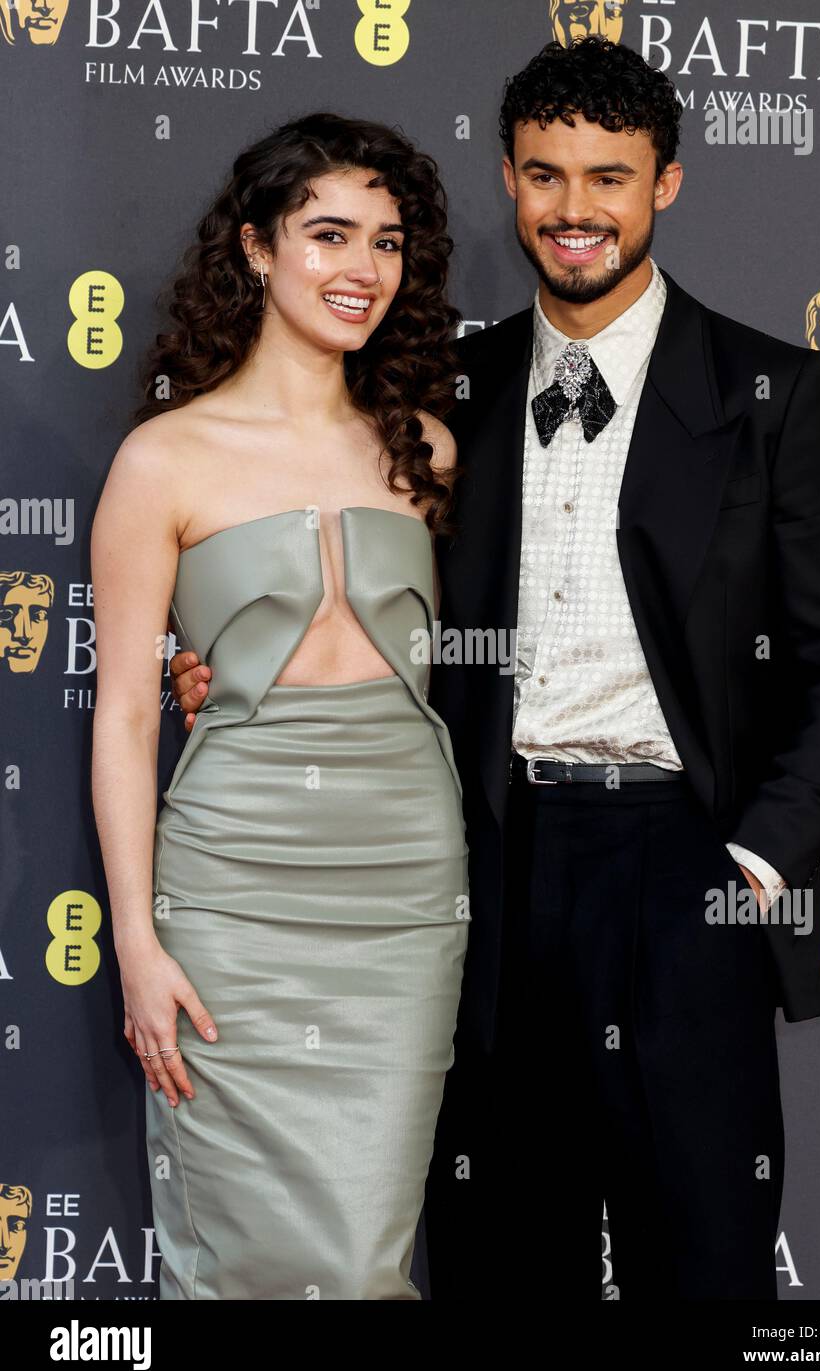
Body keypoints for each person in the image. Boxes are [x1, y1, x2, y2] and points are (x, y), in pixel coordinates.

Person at [171, 39, 820, 1300]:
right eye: (545, 175)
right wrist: (228, 657)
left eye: (607, 177)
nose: (574, 210)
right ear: (509, 180)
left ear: (664, 184)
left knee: (705, 1258)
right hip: (487, 865)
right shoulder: (446, 385)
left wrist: (750, 869)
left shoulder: (771, 391)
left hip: (690, 864)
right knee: (504, 1247)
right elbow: (336, 559)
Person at [90, 112, 469, 1301]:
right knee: (247, 1250)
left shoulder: (424, 450)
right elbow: (123, 717)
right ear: (256, 248)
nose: (362, 268)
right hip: (235, 889)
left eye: (388, 241)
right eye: (328, 234)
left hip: (405, 886)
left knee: (362, 1253)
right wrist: (137, 941)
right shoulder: (165, 459)